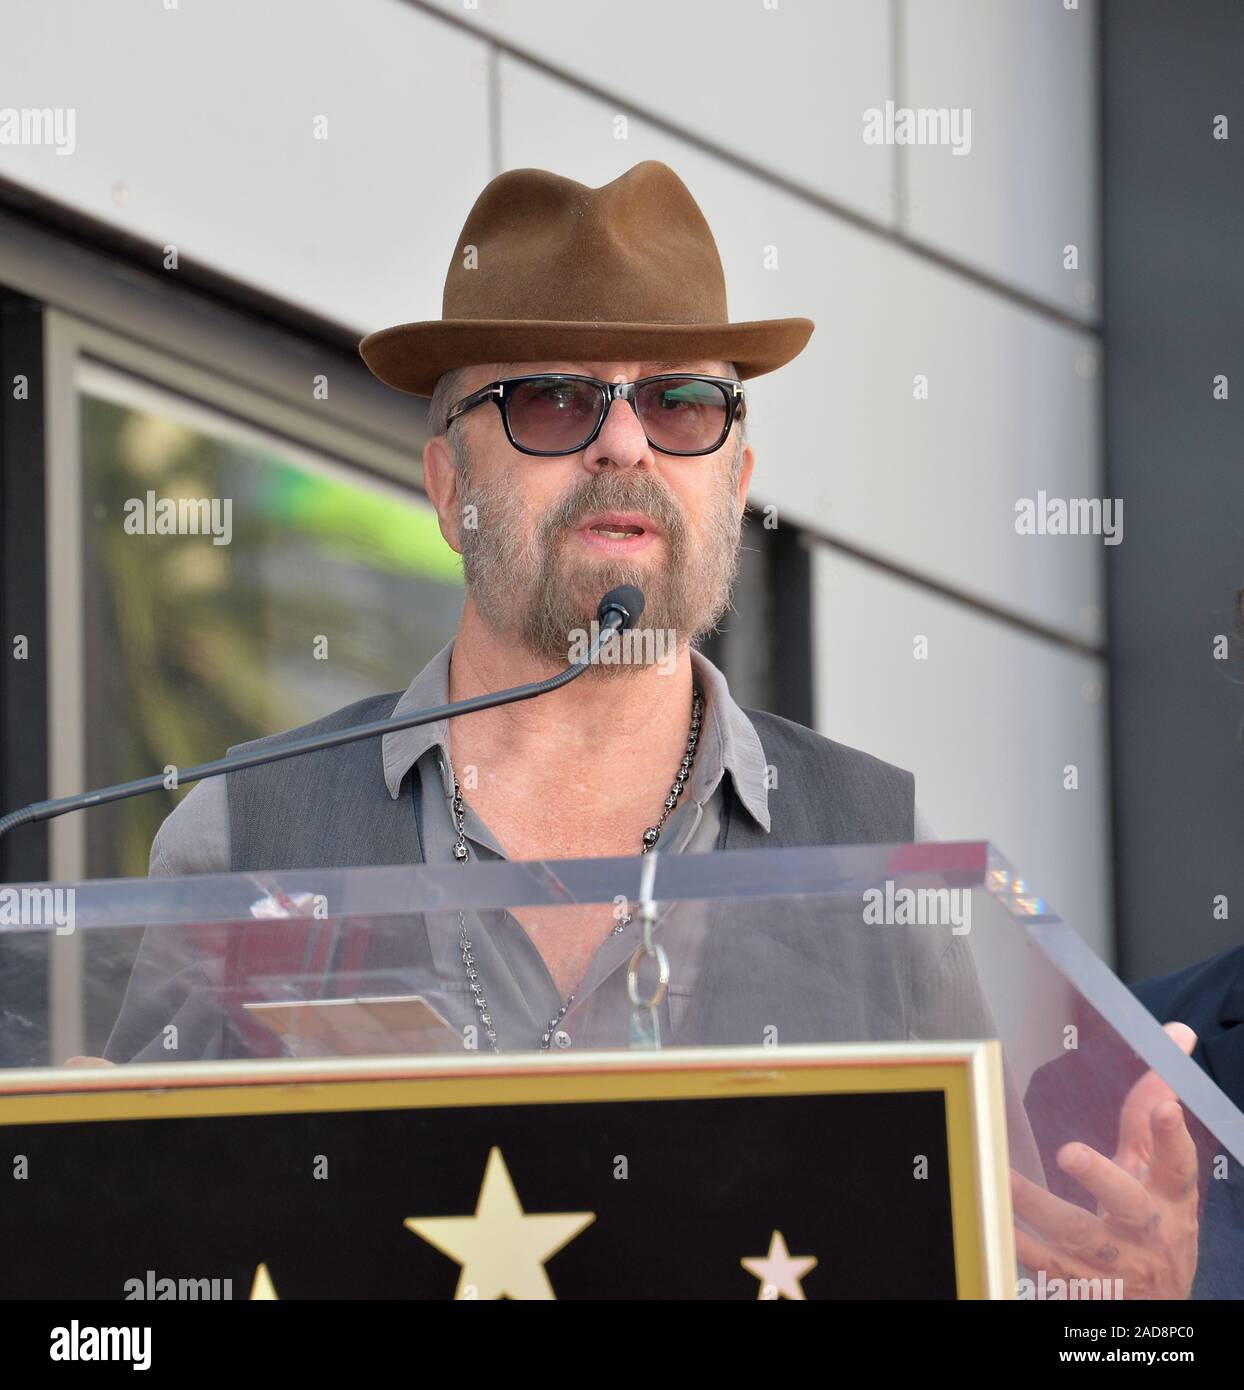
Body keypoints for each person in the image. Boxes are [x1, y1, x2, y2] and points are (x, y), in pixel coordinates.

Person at [102, 160, 1206, 1299]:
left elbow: (1000, 1276)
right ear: (447, 487)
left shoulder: (884, 853)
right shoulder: (247, 837)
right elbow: (119, 1271)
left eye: (681, 401)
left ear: (734, 478)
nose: (624, 444)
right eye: (551, 399)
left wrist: (1121, 1310)